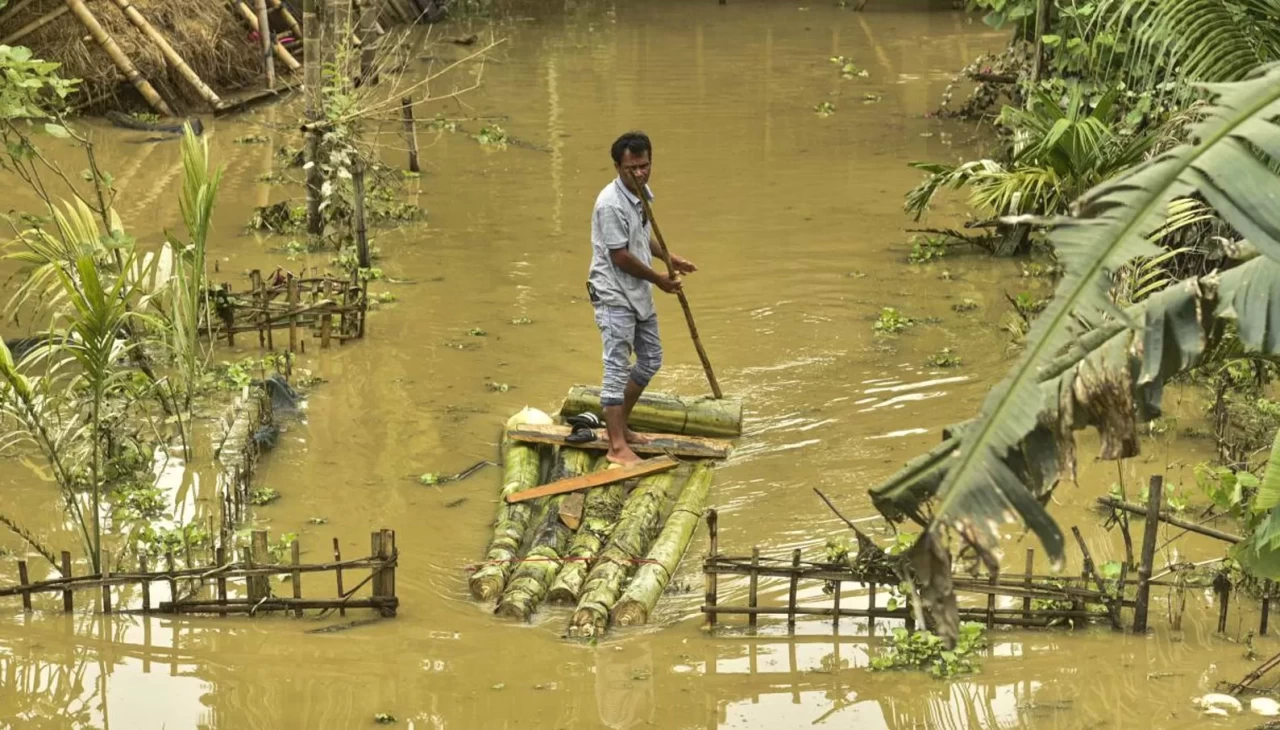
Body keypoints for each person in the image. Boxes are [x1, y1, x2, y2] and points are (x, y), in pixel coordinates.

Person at [586, 131, 697, 466]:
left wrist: (669, 258)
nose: (638, 173)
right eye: (630, 168)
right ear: (617, 167)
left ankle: (620, 426)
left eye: (643, 166)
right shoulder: (610, 204)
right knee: (617, 366)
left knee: (650, 358)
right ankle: (616, 447)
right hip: (613, 292)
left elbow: (640, 236)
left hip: (637, 290)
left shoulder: (639, 193)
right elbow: (620, 255)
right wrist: (659, 280)